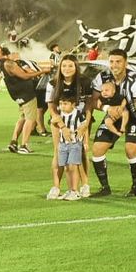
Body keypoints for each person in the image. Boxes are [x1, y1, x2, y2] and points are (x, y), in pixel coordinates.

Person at [88, 49, 136, 197]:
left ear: (126, 62)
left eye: (118, 61)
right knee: (97, 149)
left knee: (131, 150)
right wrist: (106, 107)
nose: (114, 65)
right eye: (112, 61)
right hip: (113, 116)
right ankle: (105, 188)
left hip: (133, 115)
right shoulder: (102, 77)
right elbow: (93, 100)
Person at [47, 54, 94, 197]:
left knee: (82, 152)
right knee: (58, 151)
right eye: (64, 66)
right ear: (60, 67)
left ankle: (85, 185)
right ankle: (56, 187)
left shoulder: (85, 82)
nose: (66, 69)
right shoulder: (53, 83)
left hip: (80, 121)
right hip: (59, 122)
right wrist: (63, 127)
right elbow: (51, 108)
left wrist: (85, 124)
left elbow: (89, 106)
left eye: (70, 65)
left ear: (76, 67)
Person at [0, 45, 45, 154]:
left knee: (23, 117)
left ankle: (13, 142)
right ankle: (24, 145)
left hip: (17, 95)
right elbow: (25, 76)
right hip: (26, 94)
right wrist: (43, 72)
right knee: (31, 119)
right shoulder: (9, 63)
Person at [50, 95, 87, 201]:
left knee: (73, 166)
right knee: (66, 167)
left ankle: (75, 191)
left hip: (75, 144)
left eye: (65, 104)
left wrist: (85, 141)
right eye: (61, 104)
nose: (62, 106)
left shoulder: (78, 114)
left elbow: (84, 126)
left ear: (73, 104)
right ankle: (70, 190)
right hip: (63, 144)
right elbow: (53, 123)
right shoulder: (59, 115)